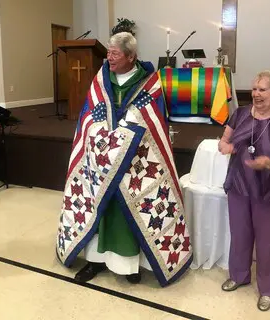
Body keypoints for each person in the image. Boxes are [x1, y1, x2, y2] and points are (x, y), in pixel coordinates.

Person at [56, 32, 192, 287]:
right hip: (99, 157)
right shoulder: (101, 79)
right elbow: (91, 113)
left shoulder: (149, 83)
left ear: (131, 56)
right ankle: (94, 261)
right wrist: (104, 140)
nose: (109, 58)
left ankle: (128, 266)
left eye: (115, 53)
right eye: (108, 52)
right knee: (98, 206)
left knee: (128, 209)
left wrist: (120, 141)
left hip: (134, 160)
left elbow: (149, 117)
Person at [218, 70, 270, 311]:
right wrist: (225, 147)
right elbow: (224, 140)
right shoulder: (240, 114)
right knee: (240, 234)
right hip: (239, 185)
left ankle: (267, 290)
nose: (256, 94)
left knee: (268, 242)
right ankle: (239, 275)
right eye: (254, 88)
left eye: (263, 90)